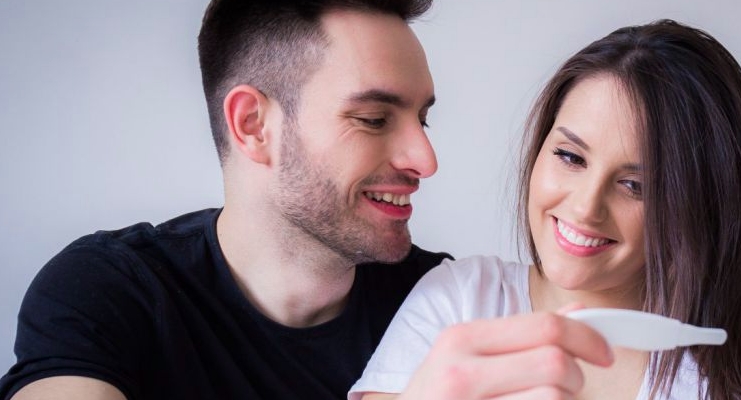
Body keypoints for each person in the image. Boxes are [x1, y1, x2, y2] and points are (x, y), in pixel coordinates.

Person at [0, 1, 614, 399]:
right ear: (253, 126)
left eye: (422, 119)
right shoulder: (109, 290)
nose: (425, 160)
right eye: (373, 119)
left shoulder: (447, 303)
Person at [351, 19, 741, 399]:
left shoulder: (718, 380)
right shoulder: (459, 300)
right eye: (570, 157)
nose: (585, 207)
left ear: (700, 206)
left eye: (635, 186)